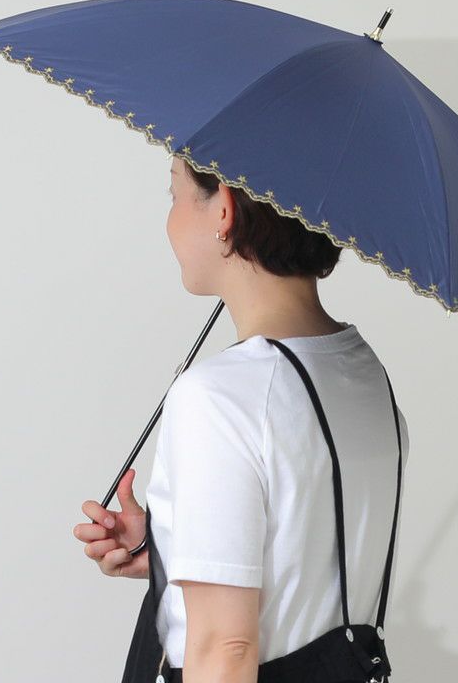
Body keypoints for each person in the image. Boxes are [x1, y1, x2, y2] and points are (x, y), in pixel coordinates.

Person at [73, 155, 409, 682]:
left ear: (224, 210)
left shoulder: (219, 397)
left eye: (175, 194)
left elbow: (224, 649)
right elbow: (306, 560)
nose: (171, 217)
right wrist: (179, 546)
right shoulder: (366, 376)